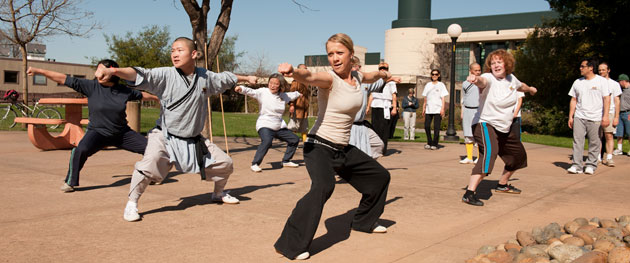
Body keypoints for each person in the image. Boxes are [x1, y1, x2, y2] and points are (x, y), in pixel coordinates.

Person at [94, 37, 257, 221]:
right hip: (165, 136)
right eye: (172, 51)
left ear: (193, 54)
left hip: (193, 139)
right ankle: (132, 203)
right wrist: (114, 70)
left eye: (179, 50)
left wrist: (247, 78)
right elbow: (140, 74)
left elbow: (226, 77)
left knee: (225, 163)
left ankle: (218, 193)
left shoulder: (205, 76)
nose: (174, 54)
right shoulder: (165, 75)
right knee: (149, 165)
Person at [274, 33, 392, 260]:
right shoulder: (329, 79)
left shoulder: (357, 76)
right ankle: (289, 244)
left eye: (340, 53)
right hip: (318, 146)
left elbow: (370, 75)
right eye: (330, 54)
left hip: (342, 148)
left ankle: (363, 221)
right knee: (323, 187)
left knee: (380, 177)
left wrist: (383, 73)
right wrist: (293, 72)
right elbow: (309, 76)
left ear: (351, 55)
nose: (335, 58)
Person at [27, 60, 156, 192]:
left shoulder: (123, 91)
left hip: (122, 133)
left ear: (112, 73)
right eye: (97, 70)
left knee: (152, 150)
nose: (98, 73)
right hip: (97, 133)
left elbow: (142, 95)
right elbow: (62, 78)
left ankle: (150, 175)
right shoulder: (91, 86)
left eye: (101, 70)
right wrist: (39, 71)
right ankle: (70, 182)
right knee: (80, 150)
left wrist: (158, 98)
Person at [460, 49, 537, 206]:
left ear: (506, 64)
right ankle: (469, 193)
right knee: (490, 153)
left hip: (504, 127)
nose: (496, 65)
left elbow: (520, 86)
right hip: (484, 123)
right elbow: (483, 81)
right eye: (493, 63)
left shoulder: (511, 79)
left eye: (499, 62)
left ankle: (502, 184)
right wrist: (475, 79)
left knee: (518, 156)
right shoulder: (488, 77)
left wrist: (530, 89)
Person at [235, 73, 301, 172]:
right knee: (267, 141)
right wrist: (241, 88)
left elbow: (294, 94)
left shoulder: (283, 96)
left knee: (294, 139)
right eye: (271, 83)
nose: (272, 86)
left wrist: (300, 93)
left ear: (280, 85)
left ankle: (286, 160)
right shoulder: (263, 92)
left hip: (278, 126)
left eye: (276, 84)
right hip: (265, 124)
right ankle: (255, 164)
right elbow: (251, 91)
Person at [566, 58, 611, 175]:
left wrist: (605, 116)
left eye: (582, 66)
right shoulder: (577, 82)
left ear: (590, 68)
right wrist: (571, 116)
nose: (580, 68)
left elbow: (607, 99)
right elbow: (573, 99)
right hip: (579, 116)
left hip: (595, 117)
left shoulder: (601, 81)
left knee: (594, 142)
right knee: (577, 141)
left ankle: (591, 165)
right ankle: (577, 165)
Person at [350, 56, 398, 159]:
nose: (353, 69)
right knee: (349, 152)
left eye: (354, 66)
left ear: (359, 67)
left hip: (361, 125)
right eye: (350, 66)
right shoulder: (341, 81)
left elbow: (382, 79)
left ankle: (364, 165)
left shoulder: (364, 82)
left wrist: (390, 77)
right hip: (347, 125)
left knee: (378, 144)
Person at [369, 62, 397, 154]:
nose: (383, 69)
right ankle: (375, 148)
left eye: (385, 68)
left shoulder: (391, 82)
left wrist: (394, 107)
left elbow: (394, 95)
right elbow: (371, 95)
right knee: (375, 128)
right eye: (381, 68)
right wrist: (368, 106)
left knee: (384, 129)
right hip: (375, 105)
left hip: (385, 106)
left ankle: (382, 150)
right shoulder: (376, 81)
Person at [598, 62, 622, 167]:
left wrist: (617, 117)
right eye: (599, 70)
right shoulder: (596, 82)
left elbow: (617, 101)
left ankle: (609, 158)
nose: (601, 72)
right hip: (597, 112)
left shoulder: (614, 84)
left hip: (610, 113)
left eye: (603, 69)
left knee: (609, 136)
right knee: (597, 136)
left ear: (608, 70)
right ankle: (597, 157)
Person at [459, 63, 482, 164]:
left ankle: (479, 157)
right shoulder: (465, 83)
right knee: (468, 134)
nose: (478, 72)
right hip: (467, 110)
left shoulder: (482, 82)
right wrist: (462, 111)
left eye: (479, 70)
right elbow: (464, 98)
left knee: (477, 134)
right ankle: (469, 157)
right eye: (476, 70)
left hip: (478, 110)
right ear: (471, 71)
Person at [422, 69, 448, 150]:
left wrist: (442, 109)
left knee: (436, 127)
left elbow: (443, 98)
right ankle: (429, 142)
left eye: (436, 74)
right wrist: (424, 107)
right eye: (433, 74)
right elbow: (425, 97)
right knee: (426, 126)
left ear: (439, 75)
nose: (434, 76)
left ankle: (435, 143)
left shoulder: (441, 85)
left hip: (437, 109)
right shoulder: (428, 85)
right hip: (429, 109)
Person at [288, 64, 311, 143]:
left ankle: (305, 143)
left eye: (306, 69)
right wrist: (291, 105)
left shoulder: (306, 81)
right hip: (297, 107)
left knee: (304, 127)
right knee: (294, 126)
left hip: (304, 108)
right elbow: (291, 94)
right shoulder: (295, 82)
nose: (306, 70)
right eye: (304, 69)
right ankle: (291, 142)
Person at [614, 74, 630, 155]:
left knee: (629, 132)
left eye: (619, 81)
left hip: (628, 113)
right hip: (620, 113)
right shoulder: (621, 91)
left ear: (623, 81)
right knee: (619, 132)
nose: (619, 83)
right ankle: (619, 149)